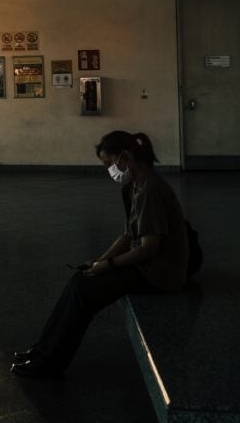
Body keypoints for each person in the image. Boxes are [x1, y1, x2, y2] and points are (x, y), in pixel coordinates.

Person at [12, 130, 189, 378]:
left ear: (125, 156)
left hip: (159, 272)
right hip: (145, 265)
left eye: (109, 164)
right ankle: (43, 349)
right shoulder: (134, 187)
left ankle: (51, 362)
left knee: (84, 292)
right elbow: (128, 235)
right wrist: (99, 262)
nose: (109, 171)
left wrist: (109, 266)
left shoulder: (151, 189)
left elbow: (150, 248)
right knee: (80, 281)